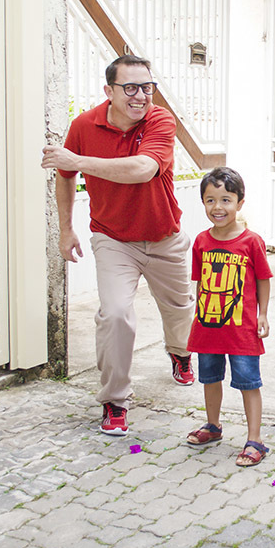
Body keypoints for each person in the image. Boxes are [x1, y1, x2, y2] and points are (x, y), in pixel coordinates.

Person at [41, 54, 195, 437]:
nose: (141, 96)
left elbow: (143, 170)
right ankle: (114, 400)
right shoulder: (83, 126)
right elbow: (64, 176)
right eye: (130, 88)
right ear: (108, 91)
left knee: (179, 312)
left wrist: (77, 159)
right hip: (112, 238)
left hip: (164, 236)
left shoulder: (160, 120)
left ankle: (179, 353)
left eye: (147, 87)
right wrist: (65, 229)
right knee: (114, 314)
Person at [185, 167, 273, 466]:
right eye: (210, 200)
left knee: (249, 381)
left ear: (240, 202)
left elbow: (263, 279)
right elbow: (200, 282)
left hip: (242, 328)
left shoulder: (251, 242)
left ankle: (255, 439)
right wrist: (197, 316)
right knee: (210, 377)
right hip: (208, 326)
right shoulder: (200, 241)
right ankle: (213, 425)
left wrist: (263, 315)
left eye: (226, 200)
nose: (218, 207)